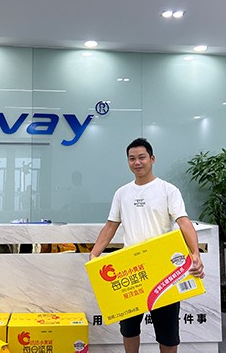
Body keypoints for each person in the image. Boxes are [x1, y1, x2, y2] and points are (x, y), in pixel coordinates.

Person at [89, 138, 205, 353]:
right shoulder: (122, 193)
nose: (137, 162)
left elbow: (184, 222)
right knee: (129, 329)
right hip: (131, 271)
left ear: (152, 159)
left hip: (163, 269)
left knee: (168, 334)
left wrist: (195, 254)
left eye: (141, 157)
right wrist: (94, 256)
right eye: (132, 158)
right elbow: (111, 226)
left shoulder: (168, 190)